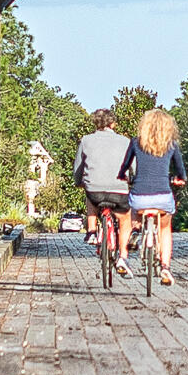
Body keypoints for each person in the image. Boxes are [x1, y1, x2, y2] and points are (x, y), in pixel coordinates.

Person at [121, 106, 187, 284]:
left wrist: (122, 176)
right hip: (163, 196)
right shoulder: (172, 145)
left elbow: (125, 165)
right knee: (165, 229)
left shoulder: (136, 143)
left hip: (139, 196)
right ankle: (165, 267)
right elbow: (181, 170)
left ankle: (135, 231)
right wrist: (180, 179)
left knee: (133, 214)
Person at [70, 109, 133, 265]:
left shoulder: (86, 140)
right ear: (113, 124)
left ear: (95, 123)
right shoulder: (126, 141)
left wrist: (78, 182)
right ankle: (123, 257)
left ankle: (91, 231)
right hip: (119, 190)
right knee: (125, 218)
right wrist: (132, 181)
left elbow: (78, 167)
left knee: (90, 195)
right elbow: (133, 167)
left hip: (95, 191)